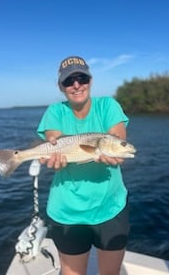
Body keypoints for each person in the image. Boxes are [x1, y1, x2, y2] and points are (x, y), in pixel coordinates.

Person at [37, 56, 130, 275]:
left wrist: (116, 147)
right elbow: (54, 137)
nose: (77, 85)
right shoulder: (55, 111)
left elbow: (117, 135)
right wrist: (53, 154)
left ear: (90, 80)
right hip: (67, 211)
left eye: (82, 78)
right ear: (61, 86)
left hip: (111, 207)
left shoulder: (108, 105)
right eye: (69, 81)